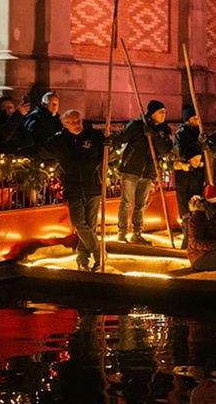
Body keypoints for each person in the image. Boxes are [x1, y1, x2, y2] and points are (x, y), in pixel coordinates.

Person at [45, 109, 106, 271]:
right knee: (79, 223)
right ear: (65, 124)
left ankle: (83, 259)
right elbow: (43, 151)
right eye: (72, 122)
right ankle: (99, 253)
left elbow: (105, 155)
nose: (77, 125)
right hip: (73, 187)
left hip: (93, 185)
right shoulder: (59, 140)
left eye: (78, 121)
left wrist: (109, 145)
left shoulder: (94, 136)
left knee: (90, 226)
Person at [113, 100, 173, 245]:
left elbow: (165, 149)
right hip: (131, 169)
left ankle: (137, 233)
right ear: (152, 113)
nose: (164, 115)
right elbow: (122, 137)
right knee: (126, 203)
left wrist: (153, 136)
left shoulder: (163, 130)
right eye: (160, 112)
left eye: (165, 112)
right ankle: (122, 232)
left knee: (140, 204)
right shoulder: (137, 125)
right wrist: (110, 140)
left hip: (148, 172)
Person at [172, 106, 206, 242]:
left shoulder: (198, 131)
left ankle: (195, 237)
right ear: (188, 119)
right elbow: (182, 151)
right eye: (194, 118)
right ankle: (187, 239)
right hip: (185, 172)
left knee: (197, 206)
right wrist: (197, 147)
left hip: (196, 172)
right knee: (186, 210)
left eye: (198, 117)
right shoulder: (182, 133)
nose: (197, 120)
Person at [20, 92, 63, 159]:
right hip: (39, 155)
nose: (55, 107)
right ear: (44, 104)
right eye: (53, 104)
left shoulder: (57, 118)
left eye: (57, 104)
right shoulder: (35, 117)